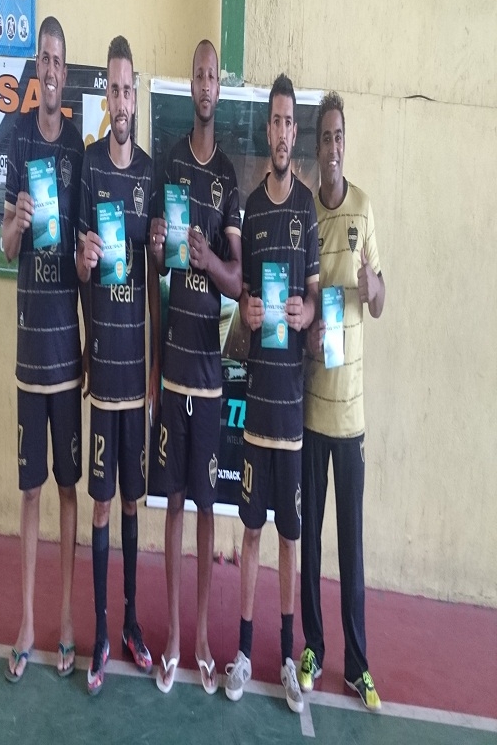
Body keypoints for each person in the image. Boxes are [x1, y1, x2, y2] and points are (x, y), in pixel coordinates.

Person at [149, 39, 242, 695]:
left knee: (208, 509)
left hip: (209, 377)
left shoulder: (229, 177)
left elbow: (236, 280)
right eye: (199, 75)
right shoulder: (171, 162)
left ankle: (206, 638)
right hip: (174, 370)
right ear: (190, 85)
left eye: (213, 76)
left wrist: (208, 259)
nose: (206, 85)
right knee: (175, 505)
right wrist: (160, 246)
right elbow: (156, 262)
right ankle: (176, 641)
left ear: (218, 87)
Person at [224, 74, 319, 713]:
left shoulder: (306, 207)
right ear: (266, 129)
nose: (283, 132)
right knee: (252, 533)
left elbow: (311, 300)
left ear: (294, 132)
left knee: (289, 537)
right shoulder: (252, 209)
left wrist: (304, 312)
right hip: (258, 406)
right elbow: (242, 303)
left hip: (293, 411)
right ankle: (241, 653)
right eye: (276, 122)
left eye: (290, 123)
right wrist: (250, 311)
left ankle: (286, 657)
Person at [76, 36, 161, 696]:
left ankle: (132, 623)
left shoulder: (151, 176)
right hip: (103, 372)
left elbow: (157, 277)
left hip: (138, 377)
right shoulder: (88, 168)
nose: (122, 99)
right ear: (105, 97)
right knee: (101, 506)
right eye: (114, 89)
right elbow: (81, 271)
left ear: (137, 96)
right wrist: (84, 263)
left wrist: (155, 367)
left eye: (129, 89)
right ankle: (102, 632)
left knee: (134, 501)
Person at [2, 16, 85, 682]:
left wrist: (86, 258)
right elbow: (6, 247)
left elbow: (86, 258)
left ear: (66, 70)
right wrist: (18, 222)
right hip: (30, 359)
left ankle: (64, 621)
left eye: (59, 61)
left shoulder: (78, 151)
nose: (51, 71)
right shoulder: (19, 138)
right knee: (30, 492)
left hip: (69, 356)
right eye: (45, 60)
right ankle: (28, 620)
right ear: (36, 69)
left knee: (66, 490)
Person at [298, 91, 386, 711]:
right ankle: (313, 649)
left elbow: (379, 302)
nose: (333, 147)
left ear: (345, 144)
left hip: (351, 416)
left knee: (350, 547)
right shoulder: (307, 214)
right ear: (316, 145)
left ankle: (358, 665)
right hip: (311, 410)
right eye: (326, 137)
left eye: (340, 137)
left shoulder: (364, 208)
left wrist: (371, 283)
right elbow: (304, 307)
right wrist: (309, 329)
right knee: (310, 542)